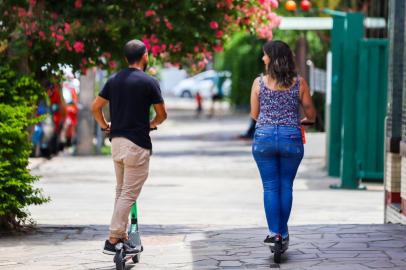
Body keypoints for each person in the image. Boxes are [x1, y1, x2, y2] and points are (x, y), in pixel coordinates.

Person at [91, 39, 167, 255]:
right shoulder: (149, 82)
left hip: (116, 143)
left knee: (121, 191)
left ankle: (122, 237)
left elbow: (95, 107)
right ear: (145, 56)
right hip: (137, 144)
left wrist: (105, 126)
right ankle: (113, 238)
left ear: (125, 58)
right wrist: (151, 124)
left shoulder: (113, 80)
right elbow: (162, 114)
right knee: (129, 194)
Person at [250, 40, 316, 248]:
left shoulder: (258, 83)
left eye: (265, 55)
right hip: (290, 137)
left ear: (272, 58)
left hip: (264, 138)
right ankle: (283, 233)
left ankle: (274, 233)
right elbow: (311, 114)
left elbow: (254, 115)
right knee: (286, 185)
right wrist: (302, 121)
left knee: (270, 186)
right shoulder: (299, 83)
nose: (263, 58)